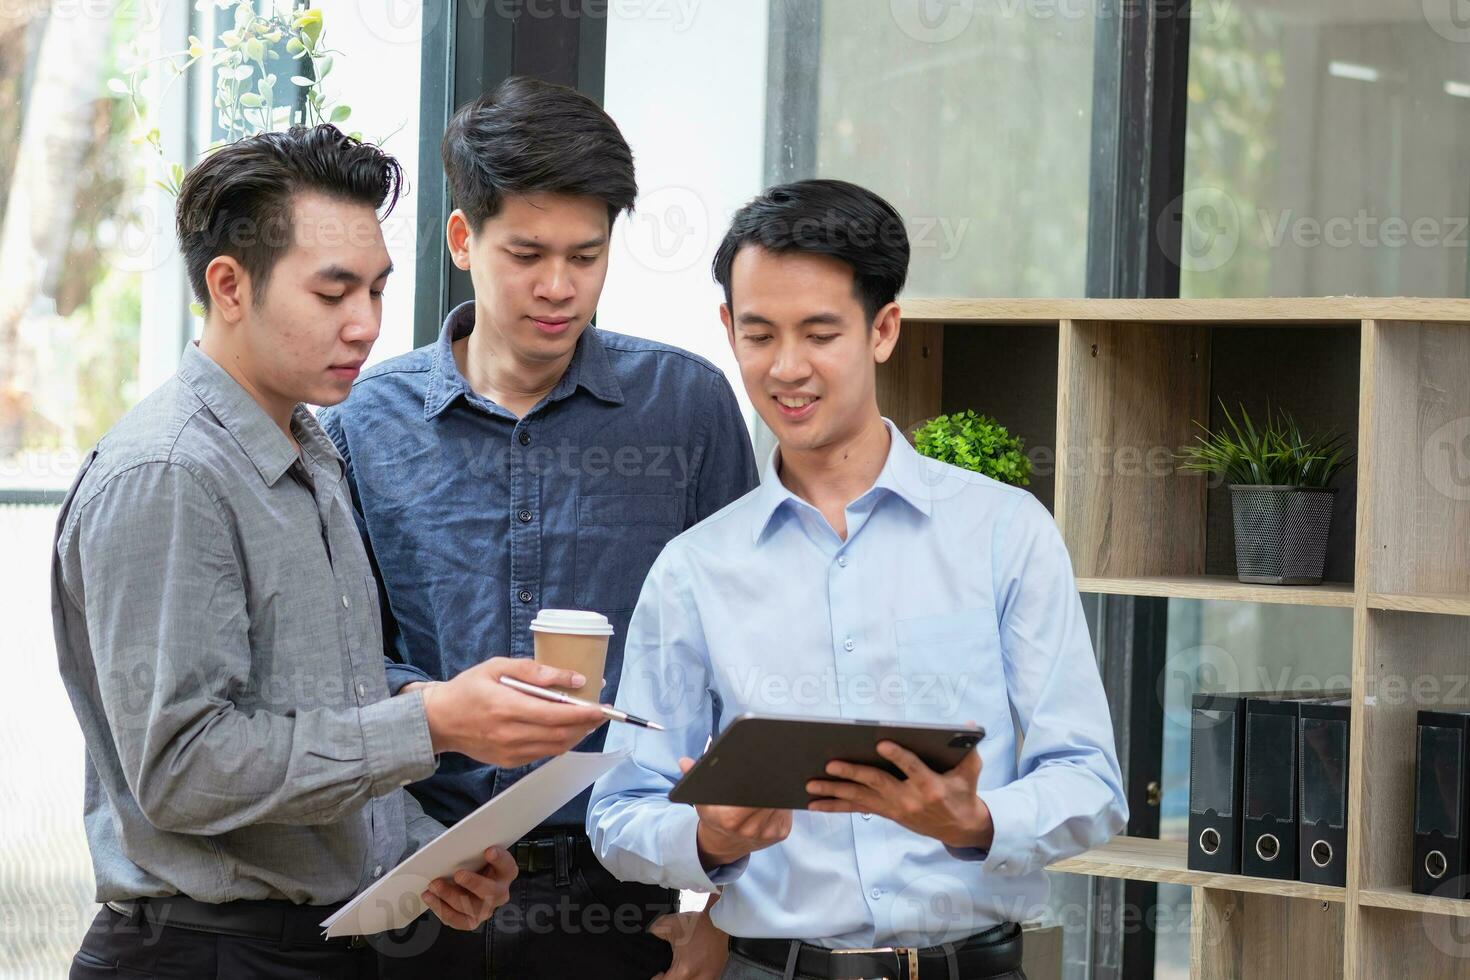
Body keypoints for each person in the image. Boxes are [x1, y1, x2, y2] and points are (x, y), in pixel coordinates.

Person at [52, 125, 605, 980]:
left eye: (378, 291)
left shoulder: (309, 446)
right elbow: (182, 771)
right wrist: (433, 722)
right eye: (333, 293)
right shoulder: (169, 474)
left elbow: (317, 716)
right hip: (200, 955)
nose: (367, 325)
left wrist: (425, 853)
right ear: (228, 286)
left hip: (319, 943)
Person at [588, 179, 1129, 980]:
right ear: (729, 329)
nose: (787, 368)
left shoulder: (1004, 533)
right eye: (761, 334)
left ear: (883, 330)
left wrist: (977, 819)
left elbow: (1091, 783)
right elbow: (618, 812)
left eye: (820, 332)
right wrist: (707, 841)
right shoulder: (695, 569)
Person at [318, 77, 758, 979]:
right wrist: (439, 713)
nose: (559, 288)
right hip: (422, 886)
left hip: (625, 891)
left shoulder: (686, 409)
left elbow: (745, 667)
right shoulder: (362, 422)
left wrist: (726, 906)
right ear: (461, 239)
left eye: (586, 256)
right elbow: (339, 668)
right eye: (526, 254)